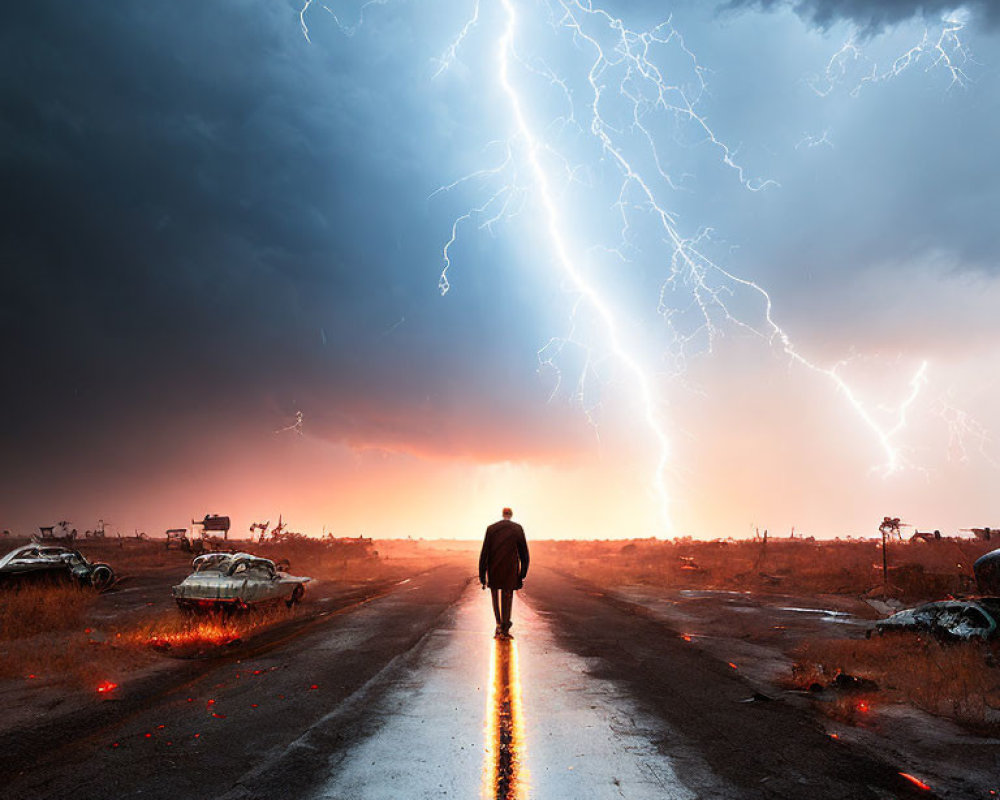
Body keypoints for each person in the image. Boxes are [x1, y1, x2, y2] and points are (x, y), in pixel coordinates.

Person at [479, 507, 529, 638]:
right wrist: (523, 573)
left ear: (502, 515)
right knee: (508, 596)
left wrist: (482, 574)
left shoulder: (491, 529)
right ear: (511, 515)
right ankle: (505, 626)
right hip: (510, 569)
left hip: (494, 568)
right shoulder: (517, 529)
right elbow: (524, 553)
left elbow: (484, 552)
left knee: (495, 596)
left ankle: (499, 624)